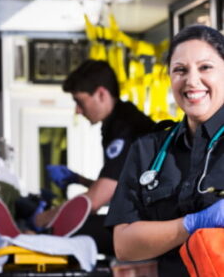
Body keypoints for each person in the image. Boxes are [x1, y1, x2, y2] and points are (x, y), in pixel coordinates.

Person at [105, 24, 224, 276]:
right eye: (180, 70)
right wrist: (192, 224)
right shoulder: (148, 150)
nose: (192, 81)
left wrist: (161, 233)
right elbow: (124, 245)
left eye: (205, 67)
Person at [45, 60, 157, 254]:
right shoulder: (117, 122)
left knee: (68, 230)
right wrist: (78, 179)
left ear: (101, 94)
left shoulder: (125, 128)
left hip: (155, 228)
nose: (77, 111)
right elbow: (120, 188)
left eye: (80, 102)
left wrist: (45, 219)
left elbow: (95, 201)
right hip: (147, 221)